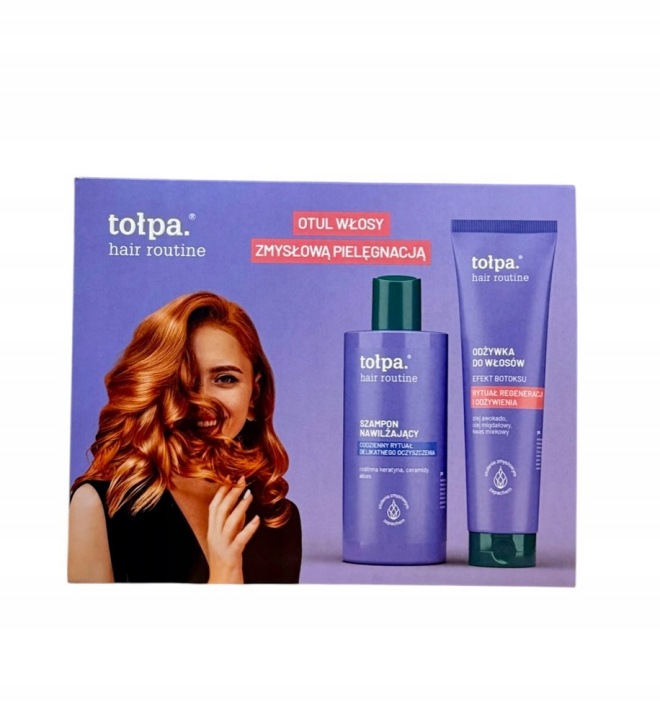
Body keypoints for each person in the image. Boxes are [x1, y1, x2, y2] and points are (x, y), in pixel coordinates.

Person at [68, 291, 301, 583]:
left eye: (225, 379)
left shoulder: (278, 518)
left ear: (254, 396)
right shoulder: (96, 506)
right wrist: (223, 576)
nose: (203, 401)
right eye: (181, 381)